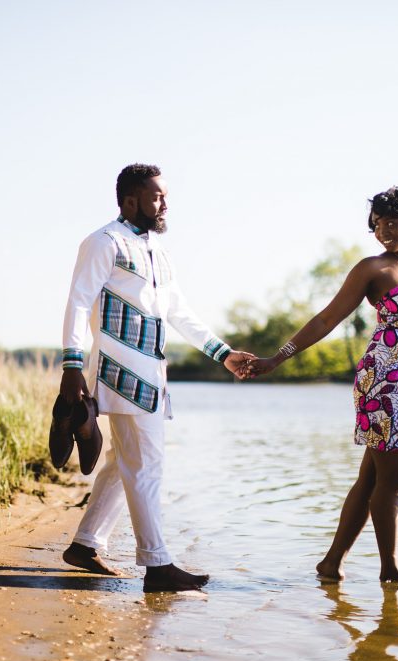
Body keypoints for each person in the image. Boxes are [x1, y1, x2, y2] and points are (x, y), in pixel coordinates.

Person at [244, 186, 398, 582]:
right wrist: (275, 359)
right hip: (385, 383)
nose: (384, 230)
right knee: (394, 479)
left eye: (393, 221)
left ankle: (331, 563)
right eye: (377, 224)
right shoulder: (372, 269)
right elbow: (325, 320)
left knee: (372, 477)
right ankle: (390, 572)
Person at [59, 163, 253, 593]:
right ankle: (157, 565)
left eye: (165, 195)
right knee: (146, 463)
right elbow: (78, 302)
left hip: (153, 372)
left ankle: (85, 545)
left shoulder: (158, 251)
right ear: (130, 200)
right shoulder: (103, 242)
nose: (164, 203)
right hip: (119, 372)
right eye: (156, 196)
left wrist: (223, 354)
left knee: (124, 460)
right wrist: (72, 364)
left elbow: (179, 310)